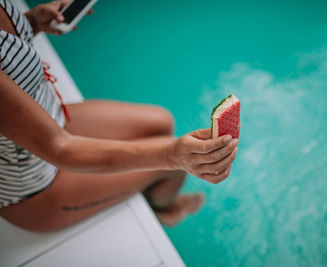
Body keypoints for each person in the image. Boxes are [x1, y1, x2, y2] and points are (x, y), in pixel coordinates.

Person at [0, 0, 239, 231]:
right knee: (174, 168)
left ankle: (143, 185)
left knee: (161, 121)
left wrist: (30, 22)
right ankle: (165, 209)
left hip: (47, 123)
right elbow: (59, 148)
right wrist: (171, 156)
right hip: (34, 186)